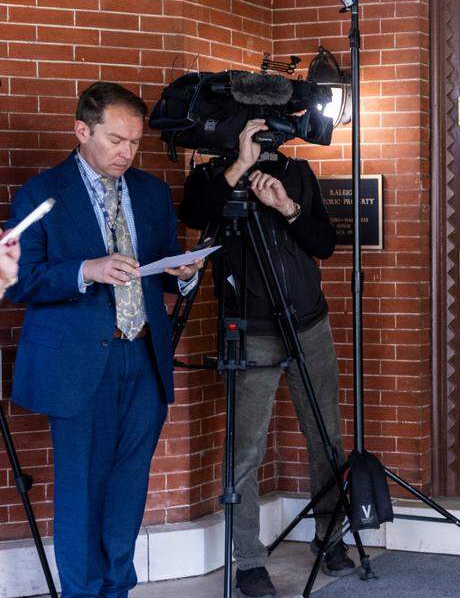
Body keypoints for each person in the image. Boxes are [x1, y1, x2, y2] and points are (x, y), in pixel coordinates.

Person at [5, 82, 203, 598]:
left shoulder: (151, 191)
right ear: (81, 131)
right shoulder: (40, 193)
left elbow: (158, 268)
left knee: (127, 489)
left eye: (134, 143)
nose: (126, 153)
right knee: (81, 490)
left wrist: (182, 275)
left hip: (144, 358)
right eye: (116, 140)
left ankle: (117, 588)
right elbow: (19, 281)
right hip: (78, 365)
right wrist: (85, 270)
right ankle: (83, 593)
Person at [179, 119, 352, 598]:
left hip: (309, 323)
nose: (264, 143)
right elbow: (195, 213)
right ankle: (250, 561)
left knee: (326, 437)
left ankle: (330, 536)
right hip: (251, 329)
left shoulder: (297, 173)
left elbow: (325, 244)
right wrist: (239, 166)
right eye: (252, 133)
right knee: (246, 448)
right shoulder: (214, 176)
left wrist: (288, 207)